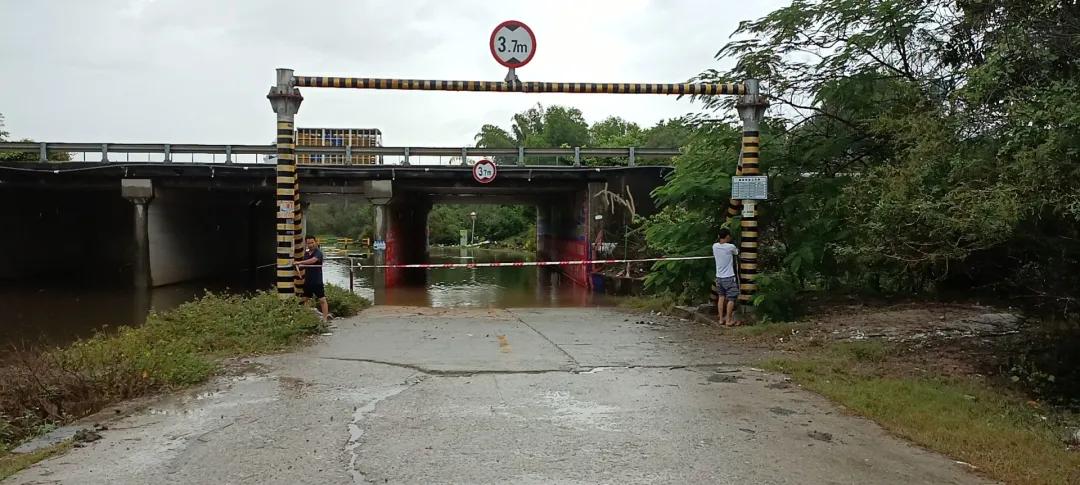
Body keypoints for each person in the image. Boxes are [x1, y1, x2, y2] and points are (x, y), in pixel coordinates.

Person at [295, 235, 329, 322]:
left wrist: (300, 262)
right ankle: (306, 317)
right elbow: (304, 265)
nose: (310, 245)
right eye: (308, 243)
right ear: (306, 244)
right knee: (305, 299)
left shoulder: (318, 253)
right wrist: (298, 266)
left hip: (317, 280)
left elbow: (313, 260)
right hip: (308, 280)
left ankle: (325, 319)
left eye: (312, 242)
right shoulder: (306, 253)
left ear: (316, 242)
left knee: (322, 300)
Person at [713, 228, 740, 326]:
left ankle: (721, 319)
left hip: (718, 277)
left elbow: (718, 243)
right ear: (727, 236)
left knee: (721, 297)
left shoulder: (715, 246)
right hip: (728, 277)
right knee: (731, 298)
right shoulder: (730, 247)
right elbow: (736, 252)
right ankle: (728, 320)